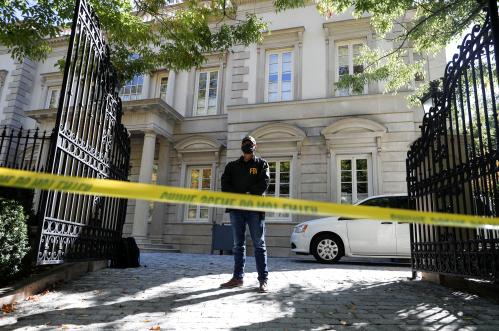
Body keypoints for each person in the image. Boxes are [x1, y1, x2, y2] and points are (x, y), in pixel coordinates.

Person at [220, 135, 270, 293]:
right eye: (245, 143)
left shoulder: (262, 164)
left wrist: (247, 194)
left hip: (255, 210)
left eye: (251, 143)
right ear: (241, 146)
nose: (248, 145)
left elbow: (264, 183)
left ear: (256, 146)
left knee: (259, 246)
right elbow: (225, 184)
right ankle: (237, 278)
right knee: (238, 245)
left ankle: (263, 280)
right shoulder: (232, 166)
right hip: (236, 210)